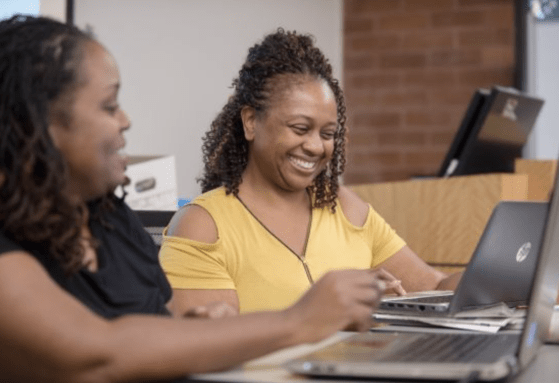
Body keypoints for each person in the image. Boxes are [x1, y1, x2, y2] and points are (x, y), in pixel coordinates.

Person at [0, 16, 390, 382]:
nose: (125, 120)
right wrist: (298, 321)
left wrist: (196, 322)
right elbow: (97, 355)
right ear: (40, 124)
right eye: (109, 105)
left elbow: (155, 320)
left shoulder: (108, 218)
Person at [160, 29, 461, 315]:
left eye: (328, 134)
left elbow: (436, 287)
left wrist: (499, 274)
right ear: (251, 121)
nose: (317, 147)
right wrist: (325, 306)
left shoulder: (343, 207)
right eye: (300, 129)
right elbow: (208, 346)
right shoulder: (202, 225)